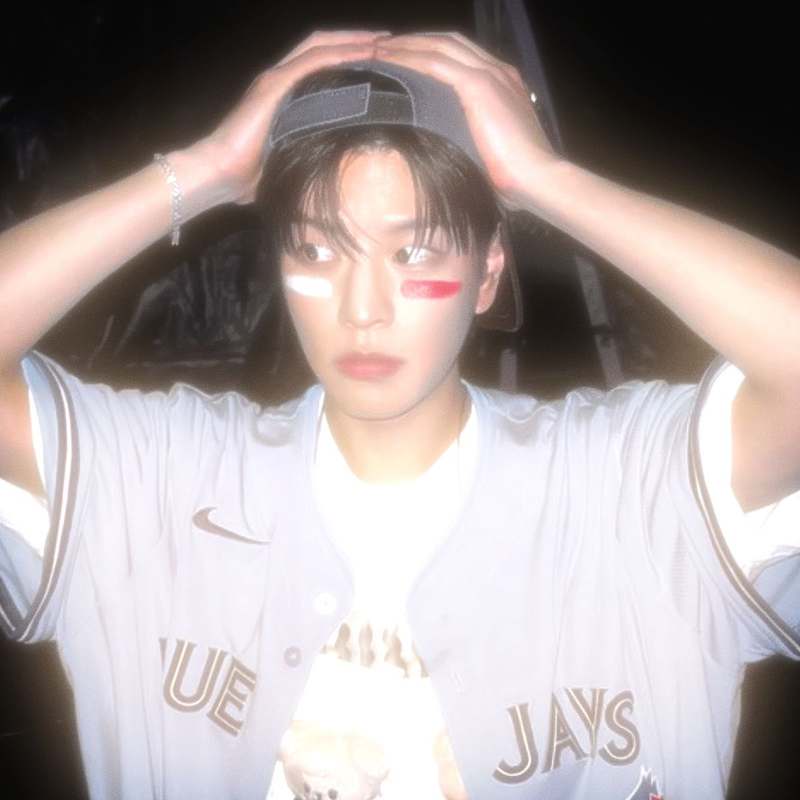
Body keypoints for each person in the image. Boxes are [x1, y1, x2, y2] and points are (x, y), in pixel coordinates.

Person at [0, 29, 799, 800]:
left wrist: (546, 180)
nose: (363, 309)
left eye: (414, 252)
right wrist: (203, 170)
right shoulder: (162, 483)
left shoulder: (629, 489)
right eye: (317, 249)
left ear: (488, 272)